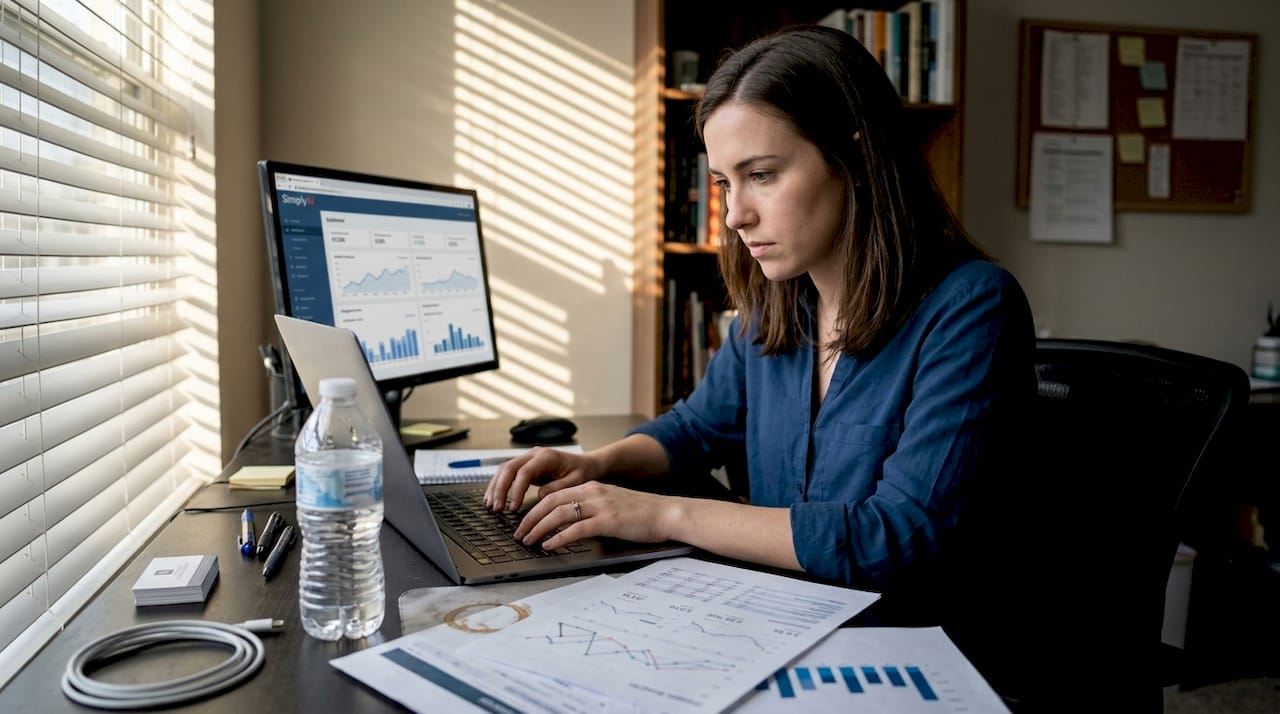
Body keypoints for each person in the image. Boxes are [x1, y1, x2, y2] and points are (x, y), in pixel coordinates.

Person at [485, 23, 1038, 702]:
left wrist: (661, 516)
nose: (736, 214)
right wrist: (599, 464)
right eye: (723, 183)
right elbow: (698, 427)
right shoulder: (781, 307)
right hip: (785, 622)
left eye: (762, 175)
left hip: (905, 651)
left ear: (855, 159)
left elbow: (898, 535)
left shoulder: (971, 305)